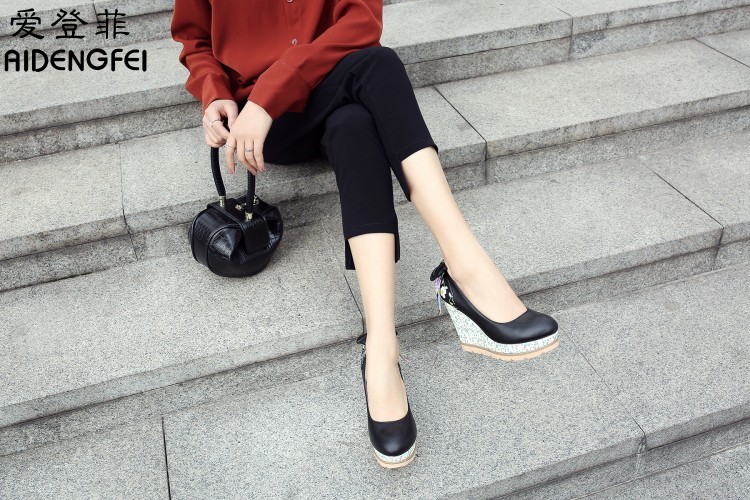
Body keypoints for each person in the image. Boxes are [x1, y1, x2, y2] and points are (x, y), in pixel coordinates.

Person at [171, 0, 559, 469]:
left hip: (333, 81)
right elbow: (195, 39)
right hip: (265, 119)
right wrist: (215, 93)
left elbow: (361, 21)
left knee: (355, 120)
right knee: (379, 66)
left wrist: (277, 84)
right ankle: (464, 272)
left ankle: (381, 350)